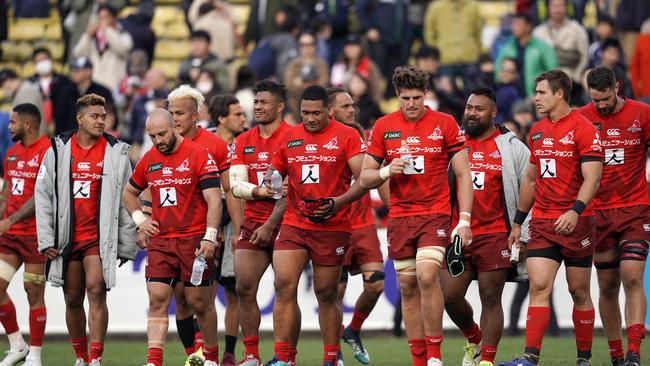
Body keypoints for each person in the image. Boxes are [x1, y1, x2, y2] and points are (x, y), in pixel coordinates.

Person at [359, 66, 473, 366]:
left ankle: (435, 356)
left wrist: (463, 219)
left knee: (426, 275)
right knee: (408, 287)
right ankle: (419, 360)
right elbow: (365, 176)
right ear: (397, 96)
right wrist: (387, 169)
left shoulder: (444, 123)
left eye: (417, 98)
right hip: (400, 218)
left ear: (426, 96)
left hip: (434, 214)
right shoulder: (384, 126)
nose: (411, 104)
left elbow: (463, 173)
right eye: (405, 98)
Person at [499, 70, 603, 366]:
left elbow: (592, 179)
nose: (535, 98)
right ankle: (531, 357)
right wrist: (518, 221)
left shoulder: (584, 130)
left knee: (578, 290)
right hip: (543, 222)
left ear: (559, 93)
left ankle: (584, 358)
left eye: (541, 92)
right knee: (538, 286)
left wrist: (575, 210)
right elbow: (530, 180)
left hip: (577, 222)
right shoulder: (537, 129)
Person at [34, 94, 138, 366]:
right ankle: (80, 356)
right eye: (94, 116)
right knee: (72, 299)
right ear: (79, 118)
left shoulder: (117, 152)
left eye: (103, 116)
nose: (101, 121)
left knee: (96, 289)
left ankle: (96, 358)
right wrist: (46, 238)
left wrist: (126, 243)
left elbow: (128, 198)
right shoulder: (57, 150)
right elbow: (42, 195)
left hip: (98, 239)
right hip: (67, 240)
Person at [267, 85, 367, 366]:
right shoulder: (290, 136)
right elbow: (274, 173)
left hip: (333, 226)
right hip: (295, 223)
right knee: (283, 285)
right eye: (305, 113)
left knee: (326, 294)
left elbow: (364, 179)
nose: (310, 119)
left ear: (328, 110)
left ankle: (331, 358)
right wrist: (272, 181)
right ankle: (285, 358)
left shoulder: (347, 136)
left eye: (316, 113)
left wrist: (338, 202)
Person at [122, 109, 222, 366]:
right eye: (152, 136)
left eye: (162, 134)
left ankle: (210, 358)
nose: (158, 141)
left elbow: (213, 200)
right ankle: (154, 362)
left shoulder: (199, 155)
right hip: (162, 242)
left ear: (174, 127)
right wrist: (141, 222)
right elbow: (129, 194)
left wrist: (210, 237)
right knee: (157, 298)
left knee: (199, 302)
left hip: (194, 240)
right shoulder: (149, 159)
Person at [441, 87, 531, 366]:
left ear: (493, 112)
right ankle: (473, 338)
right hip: (459, 234)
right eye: (469, 107)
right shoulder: (453, 143)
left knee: (491, 298)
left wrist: (523, 233)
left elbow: (530, 190)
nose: (471, 113)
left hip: (495, 235)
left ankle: (486, 361)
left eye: (479, 108)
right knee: (450, 297)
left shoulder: (512, 146)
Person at [578, 66, 650, 366]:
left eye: (605, 98)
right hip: (598, 214)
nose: (601, 105)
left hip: (635, 209)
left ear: (617, 88)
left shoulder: (643, 114)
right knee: (607, 286)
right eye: (595, 100)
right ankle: (616, 355)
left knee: (633, 277)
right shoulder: (581, 117)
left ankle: (634, 351)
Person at [163, 85, 231, 366]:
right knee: (180, 298)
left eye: (179, 112)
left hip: (205, 235)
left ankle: (208, 355)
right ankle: (193, 355)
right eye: (171, 113)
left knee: (203, 298)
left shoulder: (214, 145)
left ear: (196, 115)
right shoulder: (160, 142)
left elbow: (227, 191)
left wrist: (222, 230)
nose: (174, 118)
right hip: (170, 235)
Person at [229, 80, 293, 366]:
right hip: (253, 222)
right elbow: (235, 185)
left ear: (280, 106)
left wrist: (270, 224)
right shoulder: (243, 141)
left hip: (288, 224)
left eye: (263, 102)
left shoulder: (295, 137)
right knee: (243, 285)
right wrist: (257, 192)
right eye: (255, 102)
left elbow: (292, 190)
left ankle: (286, 357)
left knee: (285, 289)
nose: (257, 107)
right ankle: (252, 355)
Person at [328, 87, 386, 365]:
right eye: (345, 106)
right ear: (330, 111)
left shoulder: (367, 138)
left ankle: (353, 330)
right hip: (335, 226)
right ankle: (334, 351)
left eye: (352, 105)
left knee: (376, 285)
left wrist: (393, 207)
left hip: (364, 225)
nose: (352, 109)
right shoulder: (324, 141)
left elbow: (380, 178)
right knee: (334, 294)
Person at [0, 104, 50, 366]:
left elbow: (39, 195)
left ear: (27, 125)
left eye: (12, 123)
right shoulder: (11, 154)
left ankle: (36, 355)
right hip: (10, 238)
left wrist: (9, 220)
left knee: (33, 292)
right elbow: (6, 192)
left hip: (35, 236)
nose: (9, 127)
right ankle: (17, 344)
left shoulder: (47, 152)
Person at [208, 93, 247, 366]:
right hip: (207, 223)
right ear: (221, 118)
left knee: (235, 290)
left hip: (236, 221)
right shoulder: (204, 142)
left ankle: (230, 352)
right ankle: (203, 351)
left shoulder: (247, 142)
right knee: (204, 290)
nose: (244, 119)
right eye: (237, 115)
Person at [72, 4, 134, 91]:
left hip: (114, 87)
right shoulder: (93, 38)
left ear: (113, 18)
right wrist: (87, 36)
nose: (102, 21)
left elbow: (122, 49)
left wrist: (107, 30)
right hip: (95, 87)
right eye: (100, 18)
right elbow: (78, 55)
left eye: (106, 17)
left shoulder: (123, 35)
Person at [495, 13, 558, 98]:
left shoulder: (543, 47)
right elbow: (497, 73)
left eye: (518, 24)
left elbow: (554, 73)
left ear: (528, 27)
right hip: (511, 95)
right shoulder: (507, 47)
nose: (514, 28)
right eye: (513, 24)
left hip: (534, 96)